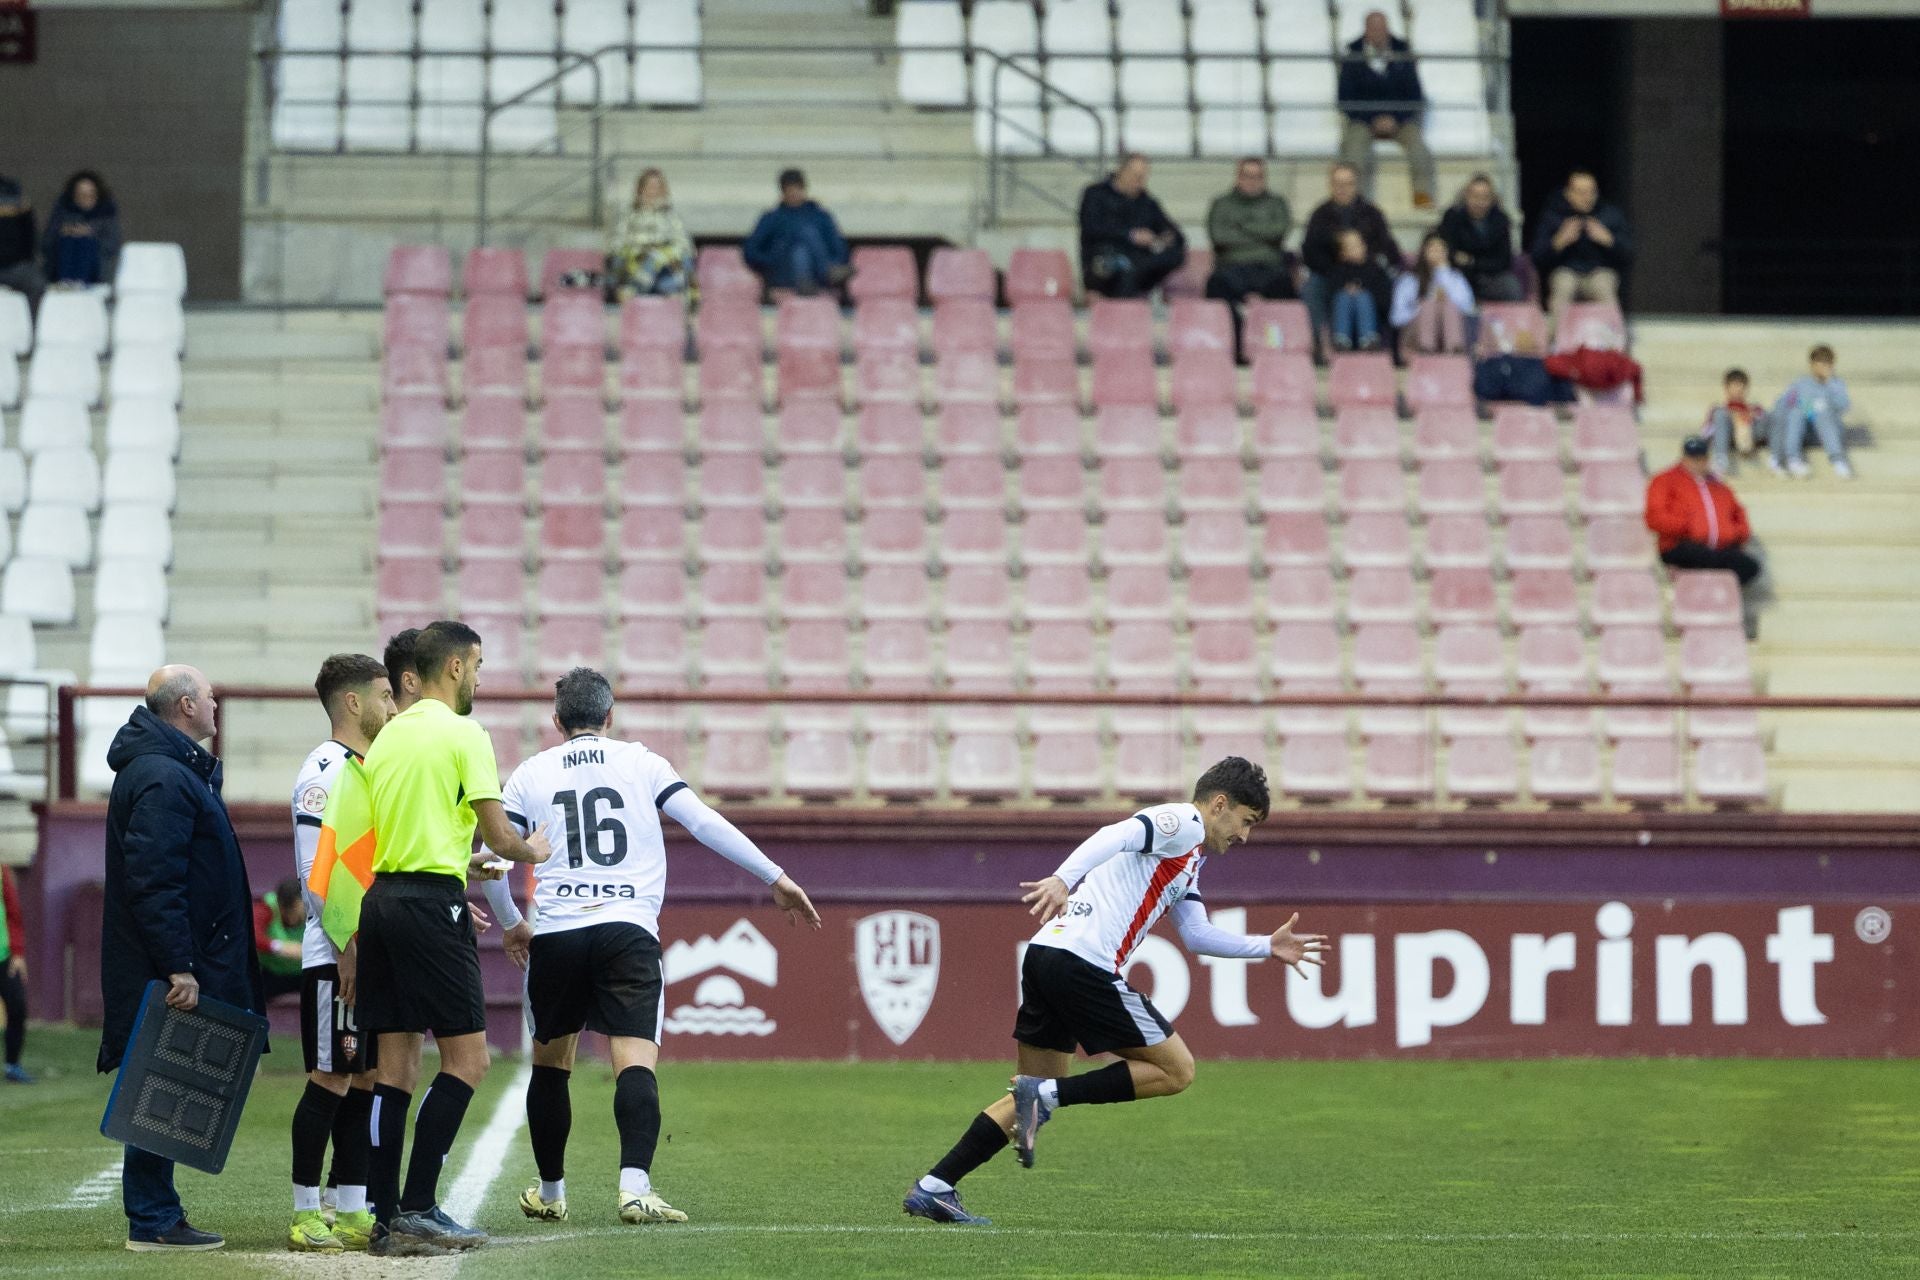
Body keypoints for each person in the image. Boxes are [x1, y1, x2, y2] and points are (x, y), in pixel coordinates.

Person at [902, 758, 1328, 1225]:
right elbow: (1117, 833)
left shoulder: (1187, 861)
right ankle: (1046, 1097)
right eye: (1246, 821)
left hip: (1046, 956)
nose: (1244, 836)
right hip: (1083, 963)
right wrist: (1063, 879)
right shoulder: (1183, 822)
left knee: (1027, 1097)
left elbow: (1197, 934)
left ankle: (935, 1186)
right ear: (1220, 804)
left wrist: (1266, 946)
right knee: (1176, 1071)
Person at [505, 668, 821, 1227]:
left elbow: (492, 855)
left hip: (556, 932)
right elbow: (701, 821)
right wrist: (775, 876)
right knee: (635, 1059)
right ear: (610, 715)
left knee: (551, 1066)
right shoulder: (642, 762)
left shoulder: (530, 774)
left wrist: (510, 921)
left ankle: (552, 1192)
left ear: (556, 721)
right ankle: (634, 1188)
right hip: (627, 930)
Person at [356, 621, 551, 1256]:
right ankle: (419, 1207)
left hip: (380, 901)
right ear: (455, 669)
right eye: (478, 665)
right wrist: (531, 850)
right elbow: (500, 835)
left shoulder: (385, 738)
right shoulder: (465, 732)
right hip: (429, 906)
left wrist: (458, 862)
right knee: (468, 1060)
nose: (481, 677)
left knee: (394, 1068)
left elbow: (403, 833)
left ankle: (382, 1216)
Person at [100, 665, 264, 1253]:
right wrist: (178, 964)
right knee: (161, 1079)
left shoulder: (167, 770)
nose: (217, 709)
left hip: (183, 953)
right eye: (212, 699)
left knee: (170, 1075)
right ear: (187, 705)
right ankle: (150, 1218)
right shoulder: (166, 778)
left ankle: (157, 1212)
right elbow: (155, 880)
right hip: (172, 962)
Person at [284, 653, 398, 1254]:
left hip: (366, 952)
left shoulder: (366, 767)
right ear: (352, 703)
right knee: (330, 1077)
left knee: (365, 1079)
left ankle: (351, 1206)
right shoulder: (324, 771)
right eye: (383, 694)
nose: (393, 704)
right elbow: (315, 875)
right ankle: (306, 1208)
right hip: (336, 956)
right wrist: (347, 946)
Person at [1336, 10, 1435, 209]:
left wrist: (1396, 118)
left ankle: (1423, 199)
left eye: (1382, 28)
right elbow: (1345, 98)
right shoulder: (1352, 57)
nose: (1378, 33)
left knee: (1419, 148)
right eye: (1373, 28)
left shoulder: (1404, 55)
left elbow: (1415, 95)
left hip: (1399, 121)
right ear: (1366, 31)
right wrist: (1371, 118)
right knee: (1353, 150)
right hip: (1363, 121)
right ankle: (1356, 204)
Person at [1299, 163, 1400, 357]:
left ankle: (1378, 339)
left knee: (1389, 283)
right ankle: (1322, 341)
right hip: (1329, 275)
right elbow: (1309, 252)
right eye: (1338, 184)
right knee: (1311, 286)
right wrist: (1340, 263)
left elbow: (1389, 249)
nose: (1343, 188)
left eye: (1348, 183)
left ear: (1356, 185)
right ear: (1330, 185)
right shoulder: (1320, 215)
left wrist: (1363, 260)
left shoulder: (1372, 214)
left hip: (1368, 275)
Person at [1204, 157, 1294, 363]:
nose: (1252, 181)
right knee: (1217, 286)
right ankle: (1231, 352)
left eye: (1258, 176)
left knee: (1284, 290)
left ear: (1265, 179)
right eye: (1247, 176)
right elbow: (1219, 237)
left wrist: (1240, 226)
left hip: (1269, 269)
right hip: (1231, 268)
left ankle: (1274, 348)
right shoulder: (1221, 204)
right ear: (1238, 177)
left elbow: (1278, 232)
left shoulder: (1277, 203)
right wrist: (1261, 235)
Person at [1645, 436, 1763, 590]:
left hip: (1718, 548)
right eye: (1692, 458)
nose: (1697, 462)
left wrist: (1735, 534)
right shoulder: (1665, 480)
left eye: (1701, 458)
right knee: (1701, 556)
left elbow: (1738, 514)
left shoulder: (1719, 487)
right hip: (1680, 545)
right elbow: (1655, 516)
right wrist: (1688, 527)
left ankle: (1709, 590)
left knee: (1749, 566)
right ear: (1684, 458)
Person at [1530, 170, 1632, 328]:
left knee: (1604, 287)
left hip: (1599, 271)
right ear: (1568, 193)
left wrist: (1609, 240)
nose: (1587, 197)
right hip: (1566, 271)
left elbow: (1628, 253)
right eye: (1580, 192)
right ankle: (1555, 344)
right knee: (1563, 286)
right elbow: (1537, 257)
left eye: (1591, 191)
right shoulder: (1553, 216)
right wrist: (1559, 242)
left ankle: (1616, 344)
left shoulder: (1610, 215)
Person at [1078, 152, 1186, 299]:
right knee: (1124, 271)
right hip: (1104, 260)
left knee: (1174, 254)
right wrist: (1131, 235)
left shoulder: (1146, 202)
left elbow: (1174, 233)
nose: (1139, 181)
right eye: (1136, 176)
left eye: (1143, 177)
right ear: (1122, 172)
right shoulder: (1095, 194)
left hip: (1139, 262)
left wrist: (1160, 239)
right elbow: (1092, 228)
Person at [741, 168, 850, 296]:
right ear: (783, 192)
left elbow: (839, 248)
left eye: (797, 189)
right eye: (789, 190)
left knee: (802, 247)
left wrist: (835, 262)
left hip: (815, 276)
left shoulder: (821, 217)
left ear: (804, 189)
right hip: (784, 273)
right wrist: (772, 261)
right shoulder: (772, 218)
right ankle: (825, 272)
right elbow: (751, 251)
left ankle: (810, 279)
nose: (794, 194)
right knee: (804, 235)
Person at [607, 168, 696, 302]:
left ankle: (641, 288)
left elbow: (685, 245)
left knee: (672, 265)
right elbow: (616, 244)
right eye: (649, 186)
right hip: (636, 262)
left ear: (663, 190)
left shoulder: (671, 216)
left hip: (665, 264)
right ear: (640, 189)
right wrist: (642, 250)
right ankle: (640, 287)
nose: (653, 191)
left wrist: (661, 253)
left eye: (657, 187)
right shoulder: (628, 215)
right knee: (633, 264)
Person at [1771, 344, 1855, 480]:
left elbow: (1843, 406)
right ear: (1812, 364)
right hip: (1804, 430)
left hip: (1829, 430)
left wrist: (1829, 385)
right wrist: (1807, 406)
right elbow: (1782, 403)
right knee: (1796, 412)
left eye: (1828, 362)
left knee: (1821, 413)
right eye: (1821, 362)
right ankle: (1793, 459)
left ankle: (1838, 461)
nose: (1825, 366)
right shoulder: (1800, 384)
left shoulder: (1836, 384)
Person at [1437, 173, 1524, 302]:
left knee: (1511, 288)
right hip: (1459, 275)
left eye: (1485, 197)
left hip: (1491, 276)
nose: (1479, 202)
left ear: (1492, 199)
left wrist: (1472, 261)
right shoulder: (1453, 217)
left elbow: (1503, 259)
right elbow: (1448, 251)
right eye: (1475, 196)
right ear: (1466, 196)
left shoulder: (1500, 220)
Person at [1391, 231, 1477, 356]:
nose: (1437, 254)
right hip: (1415, 337)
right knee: (1428, 305)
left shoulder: (1456, 278)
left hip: (1449, 332)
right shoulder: (1409, 280)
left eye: (1441, 250)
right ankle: (1426, 351)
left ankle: (1453, 352)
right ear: (1424, 251)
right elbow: (1396, 318)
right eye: (1433, 249)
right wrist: (1422, 307)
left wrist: (1443, 274)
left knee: (1448, 306)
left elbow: (1468, 308)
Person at [41, 170, 122, 288]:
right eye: (81, 194)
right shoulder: (62, 214)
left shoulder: (106, 215)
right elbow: (45, 244)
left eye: (90, 195)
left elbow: (112, 246)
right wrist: (63, 233)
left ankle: (79, 283)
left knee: (85, 241)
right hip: (59, 271)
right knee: (69, 240)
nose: (85, 199)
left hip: (97, 271)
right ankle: (66, 283)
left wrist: (91, 234)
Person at [1325, 229, 1392, 352]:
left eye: (1356, 245)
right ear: (1342, 252)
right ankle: (1341, 340)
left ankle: (1368, 339)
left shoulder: (1376, 270)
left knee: (1363, 297)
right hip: (1342, 316)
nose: (1353, 249)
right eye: (1349, 247)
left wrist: (1362, 292)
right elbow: (1330, 297)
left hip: (1374, 318)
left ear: (1364, 246)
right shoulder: (1337, 271)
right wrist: (1346, 291)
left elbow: (1385, 300)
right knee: (1343, 297)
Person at [1704, 368, 1773, 477]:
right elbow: (1706, 433)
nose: (1738, 389)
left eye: (1741, 385)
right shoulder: (1718, 410)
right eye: (1734, 385)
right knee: (1720, 414)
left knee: (1769, 416)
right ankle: (1720, 460)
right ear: (1726, 388)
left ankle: (1776, 458)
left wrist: (1747, 419)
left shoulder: (1755, 408)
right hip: (1729, 438)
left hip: (1752, 438)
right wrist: (1733, 418)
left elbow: (1766, 428)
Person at [255, 879, 307, 1003]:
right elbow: (253, 933)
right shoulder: (267, 907)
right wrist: (279, 947)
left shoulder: (315, 908)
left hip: (307, 974)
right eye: (287, 909)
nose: (291, 916)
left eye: (295, 908)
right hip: (273, 974)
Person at [0, 172, 46, 311]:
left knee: (36, 284)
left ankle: (31, 328)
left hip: (17, 267)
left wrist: (23, 212)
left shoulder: (11, 190)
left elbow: (30, 240)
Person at [1, 865, 30, 1083]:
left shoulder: (2, 871)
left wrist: (18, 953)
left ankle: (12, 1065)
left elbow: (14, 913)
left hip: (5, 957)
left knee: (18, 1006)